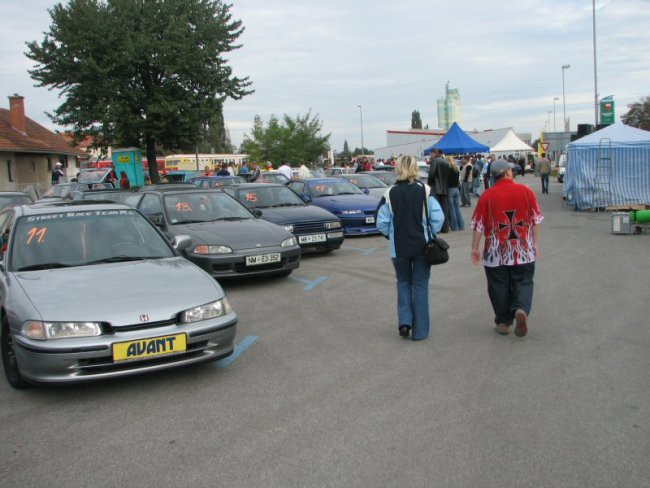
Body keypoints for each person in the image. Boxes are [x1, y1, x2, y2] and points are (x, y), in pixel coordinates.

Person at [470, 159, 544, 338]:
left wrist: (475, 248)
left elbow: (479, 225)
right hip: (522, 250)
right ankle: (521, 308)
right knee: (524, 281)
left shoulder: (487, 195)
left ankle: (503, 322)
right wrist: (534, 243)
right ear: (508, 173)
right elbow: (535, 220)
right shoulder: (526, 191)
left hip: (496, 252)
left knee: (498, 285)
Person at [377, 155, 444, 341]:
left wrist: (391, 237)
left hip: (398, 249)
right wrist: (431, 234)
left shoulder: (389, 193)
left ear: (397, 168)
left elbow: (381, 222)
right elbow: (438, 218)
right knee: (420, 285)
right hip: (423, 247)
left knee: (403, 283)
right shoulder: (425, 190)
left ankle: (405, 322)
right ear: (415, 168)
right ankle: (420, 331)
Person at [427, 149, 450, 233]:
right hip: (444, 188)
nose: (430, 155)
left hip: (435, 187)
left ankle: (438, 228)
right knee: (444, 208)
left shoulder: (434, 161)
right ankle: (445, 227)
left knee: (436, 209)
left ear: (434, 153)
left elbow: (431, 174)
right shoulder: (445, 162)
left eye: (430, 153)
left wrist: (429, 183)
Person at [446, 156, 464, 231]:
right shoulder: (456, 169)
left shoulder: (447, 170)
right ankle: (461, 225)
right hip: (456, 189)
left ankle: (454, 226)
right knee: (457, 208)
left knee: (451, 209)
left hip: (450, 190)